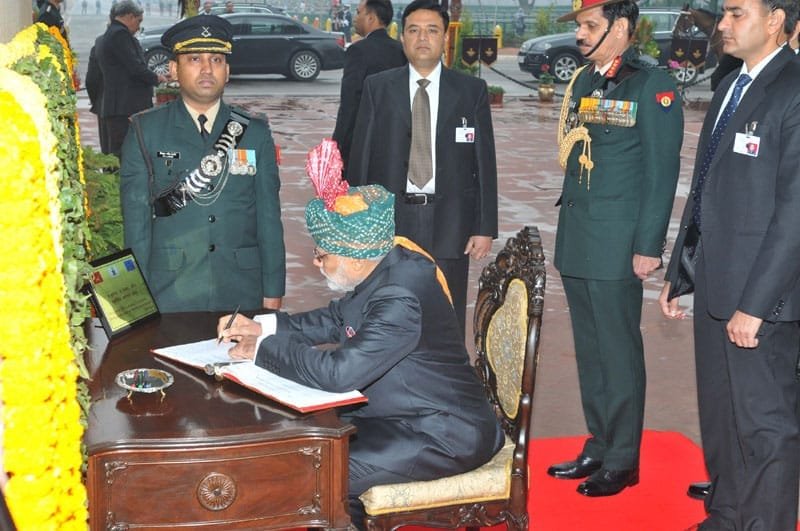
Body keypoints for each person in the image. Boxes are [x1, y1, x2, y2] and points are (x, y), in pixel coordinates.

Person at [217, 173, 504, 529]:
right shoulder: (387, 261)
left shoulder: (400, 296)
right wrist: (265, 327)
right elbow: (339, 318)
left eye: (321, 255)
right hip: (402, 413)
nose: (316, 263)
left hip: (442, 432)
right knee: (298, 441)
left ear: (354, 258)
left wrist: (262, 349)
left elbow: (340, 374)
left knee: (315, 471)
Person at [659, 0, 800, 526]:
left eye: (736, 13)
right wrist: (680, 273)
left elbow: (795, 213)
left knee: (765, 427)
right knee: (722, 417)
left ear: (775, 19)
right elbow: (704, 193)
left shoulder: (793, 88)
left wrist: (756, 306)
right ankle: (727, 515)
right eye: (724, 14)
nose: (722, 25)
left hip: (762, 299)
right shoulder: (729, 87)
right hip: (715, 286)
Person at [547, 0, 683, 497]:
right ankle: (600, 443)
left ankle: (624, 459)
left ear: (621, 27)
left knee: (618, 349)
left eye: (590, 25)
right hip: (579, 236)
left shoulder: (652, 83)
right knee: (590, 348)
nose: (581, 34)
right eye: (580, 26)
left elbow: (661, 171)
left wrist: (649, 245)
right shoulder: (584, 80)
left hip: (618, 243)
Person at [347, 0, 498, 335]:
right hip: (392, 222)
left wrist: (484, 226)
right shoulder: (379, 87)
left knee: (446, 313)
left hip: (451, 223)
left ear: (445, 38)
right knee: (389, 311)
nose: (422, 38)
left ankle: (446, 384)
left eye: (432, 30)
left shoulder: (470, 91)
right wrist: (357, 223)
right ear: (402, 38)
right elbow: (360, 160)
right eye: (414, 30)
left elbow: (484, 163)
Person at [120, 15, 286, 313]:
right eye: (194, 58)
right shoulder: (145, 131)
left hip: (241, 291)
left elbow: (269, 218)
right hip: (169, 292)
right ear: (173, 69)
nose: (207, 69)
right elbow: (137, 225)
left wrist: (273, 289)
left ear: (228, 71)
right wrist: (137, 298)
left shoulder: (254, 132)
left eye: (217, 60)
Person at [332, 0, 406, 176]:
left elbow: (350, 102)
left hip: (363, 138)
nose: (355, 18)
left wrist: (338, 143)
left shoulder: (358, 51)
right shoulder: (401, 50)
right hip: (397, 138)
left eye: (358, 13)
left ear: (371, 17)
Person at [96, 0, 167, 157]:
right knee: (126, 152)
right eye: (138, 21)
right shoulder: (119, 35)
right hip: (124, 106)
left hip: (119, 104)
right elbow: (135, 67)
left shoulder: (111, 34)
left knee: (123, 151)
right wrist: (158, 77)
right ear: (129, 16)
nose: (138, 27)